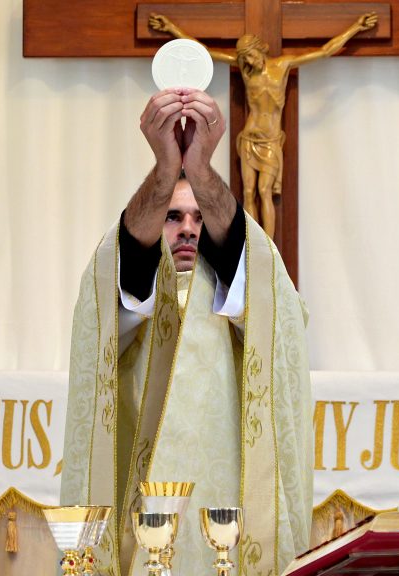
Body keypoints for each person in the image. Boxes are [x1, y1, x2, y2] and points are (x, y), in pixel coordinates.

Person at [60, 88, 312, 575]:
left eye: (199, 217)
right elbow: (117, 285)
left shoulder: (244, 285)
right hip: (134, 516)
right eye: (174, 216)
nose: (188, 230)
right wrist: (165, 171)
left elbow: (276, 311)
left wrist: (201, 171)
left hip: (231, 516)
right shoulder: (130, 283)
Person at [149, 11, 378, 237]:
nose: (248, 61)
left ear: (260, 50)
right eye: (244, 57)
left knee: (264, 191)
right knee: (248, 192)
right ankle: (251, 244)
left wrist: (357, 27)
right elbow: (205, 53)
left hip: (270, 140)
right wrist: (170, 28)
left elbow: (325, 51)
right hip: (250, 138)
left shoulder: (283, 66)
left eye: (250, 55)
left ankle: (267, 247)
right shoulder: (248, 73)